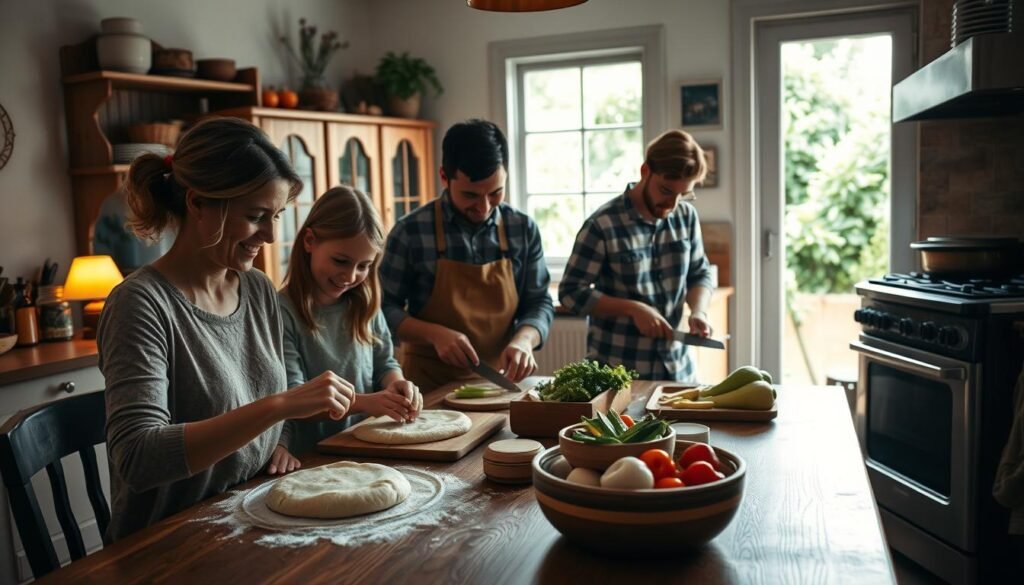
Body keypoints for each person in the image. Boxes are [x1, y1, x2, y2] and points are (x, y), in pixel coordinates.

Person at [99, 117, 355, 542]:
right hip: (167, 546)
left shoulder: (255, 288)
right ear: (198, 203)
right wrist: (280, 406)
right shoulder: (140, 304)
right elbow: (139, 458)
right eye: (257, 216)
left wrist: (277, 442)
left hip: (250, 518)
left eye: (276, 216)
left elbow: (259, 409)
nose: (271, 236)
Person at [379, 119, 554, 392]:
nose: (483, 207)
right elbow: (380, 309)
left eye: (496, 192)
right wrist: (433, 334)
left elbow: (539, 301)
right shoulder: (410, 231)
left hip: (498, 384)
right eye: (470, 195)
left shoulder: (522, 228)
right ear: (444, 177)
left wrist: (524, 339)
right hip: (427, 387)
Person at [558, 129, 715, 381]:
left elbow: (700, 273)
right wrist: (632, 309)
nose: (672, 204)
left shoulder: (686, 218)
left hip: (677, 371)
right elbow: (570, 293)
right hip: (617, 376)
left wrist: (698, 311)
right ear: (645, 171)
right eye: (666, 190)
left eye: (682, 194)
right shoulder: (602, 224)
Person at [279, 186, 422, 455]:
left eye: (364, 266)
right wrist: (366, 402)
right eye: (341, 260)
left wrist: (396, 384)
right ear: (309, 241)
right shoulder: (283, 311)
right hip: (311, 456)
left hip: (364, 446)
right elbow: (294, 400)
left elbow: (384, 364)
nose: (350, 276)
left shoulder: (364, 303)